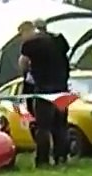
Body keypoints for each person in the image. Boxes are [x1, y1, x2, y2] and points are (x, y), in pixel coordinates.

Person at [18, 21, 70, 168]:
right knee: (60, 126)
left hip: (44, 90)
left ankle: (43, 160)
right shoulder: (59, 41)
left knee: (43, 127)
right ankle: (61, 157)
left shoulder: (31, 45)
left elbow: (23, 63)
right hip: (62, 88)